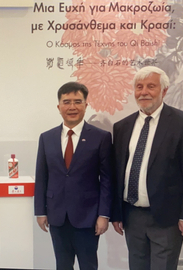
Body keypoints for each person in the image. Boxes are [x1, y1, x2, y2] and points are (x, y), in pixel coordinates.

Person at [111, 66, 183, 270]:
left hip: (167, 219)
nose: (144, 92)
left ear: (164, 91)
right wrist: (116, 213)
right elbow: (117, 173)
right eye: (139, 87)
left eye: (151, 86)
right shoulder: (122, 127)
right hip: (132, 216)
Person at [34, 82, 113, 270]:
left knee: (88, 265)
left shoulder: (101, 137)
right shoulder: (47, 138)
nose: (72, 107)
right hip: (57, 215)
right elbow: (42, 176)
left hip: (88, 216)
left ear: (86, 105)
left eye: (78, 102)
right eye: (66, 102)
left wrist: (104, 215)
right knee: (62, 265)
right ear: (59, 107)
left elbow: (107, 180)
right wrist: (40, 211)